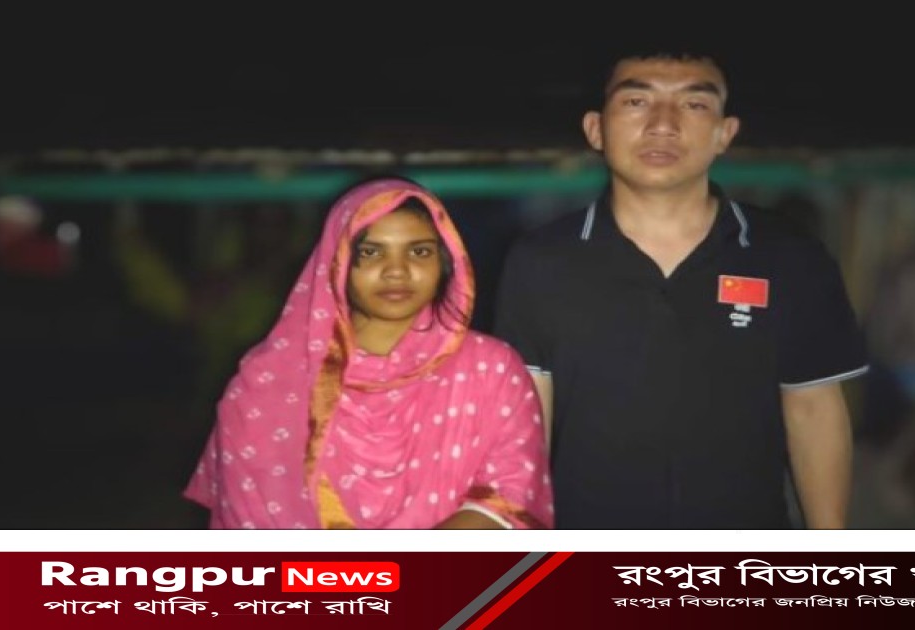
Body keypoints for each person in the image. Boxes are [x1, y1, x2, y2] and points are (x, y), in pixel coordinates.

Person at [493, 44, 868, 529]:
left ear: (724, 133)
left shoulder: (789, 257)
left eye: (694, 104)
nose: (663, 124)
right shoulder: (541, 261)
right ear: (596, 129)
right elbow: (528, 426)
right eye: (636, 101)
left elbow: (813, 408)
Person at [185, 177, 553, 529]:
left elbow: (511, 493)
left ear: (446, 262)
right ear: (336, 261)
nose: (396, 271)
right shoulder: (268, 381)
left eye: (419, 251)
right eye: (371, 252)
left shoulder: (489, 368)